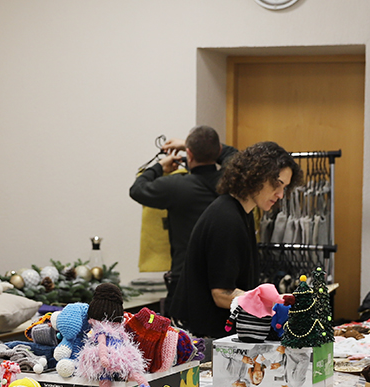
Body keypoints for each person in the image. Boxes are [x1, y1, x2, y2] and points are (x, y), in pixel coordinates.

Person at [171, 141, 301, 338]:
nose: (281, 194)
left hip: (210, 331)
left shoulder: (241, 213)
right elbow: (221, 294)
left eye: (285, 188)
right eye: (277, 184)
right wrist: (270, 300)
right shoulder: (227, 219)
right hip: (200, 338)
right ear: (257, 175)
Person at [129, 126, 238, 315]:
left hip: (185, 279)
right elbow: (235, 156)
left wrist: (159, 167)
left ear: (189, 153)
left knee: (182, 340)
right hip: (225, 279)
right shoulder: (231, 181)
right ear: (218, 151)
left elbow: (137, 189)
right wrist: (187, 144)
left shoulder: (175, 186)